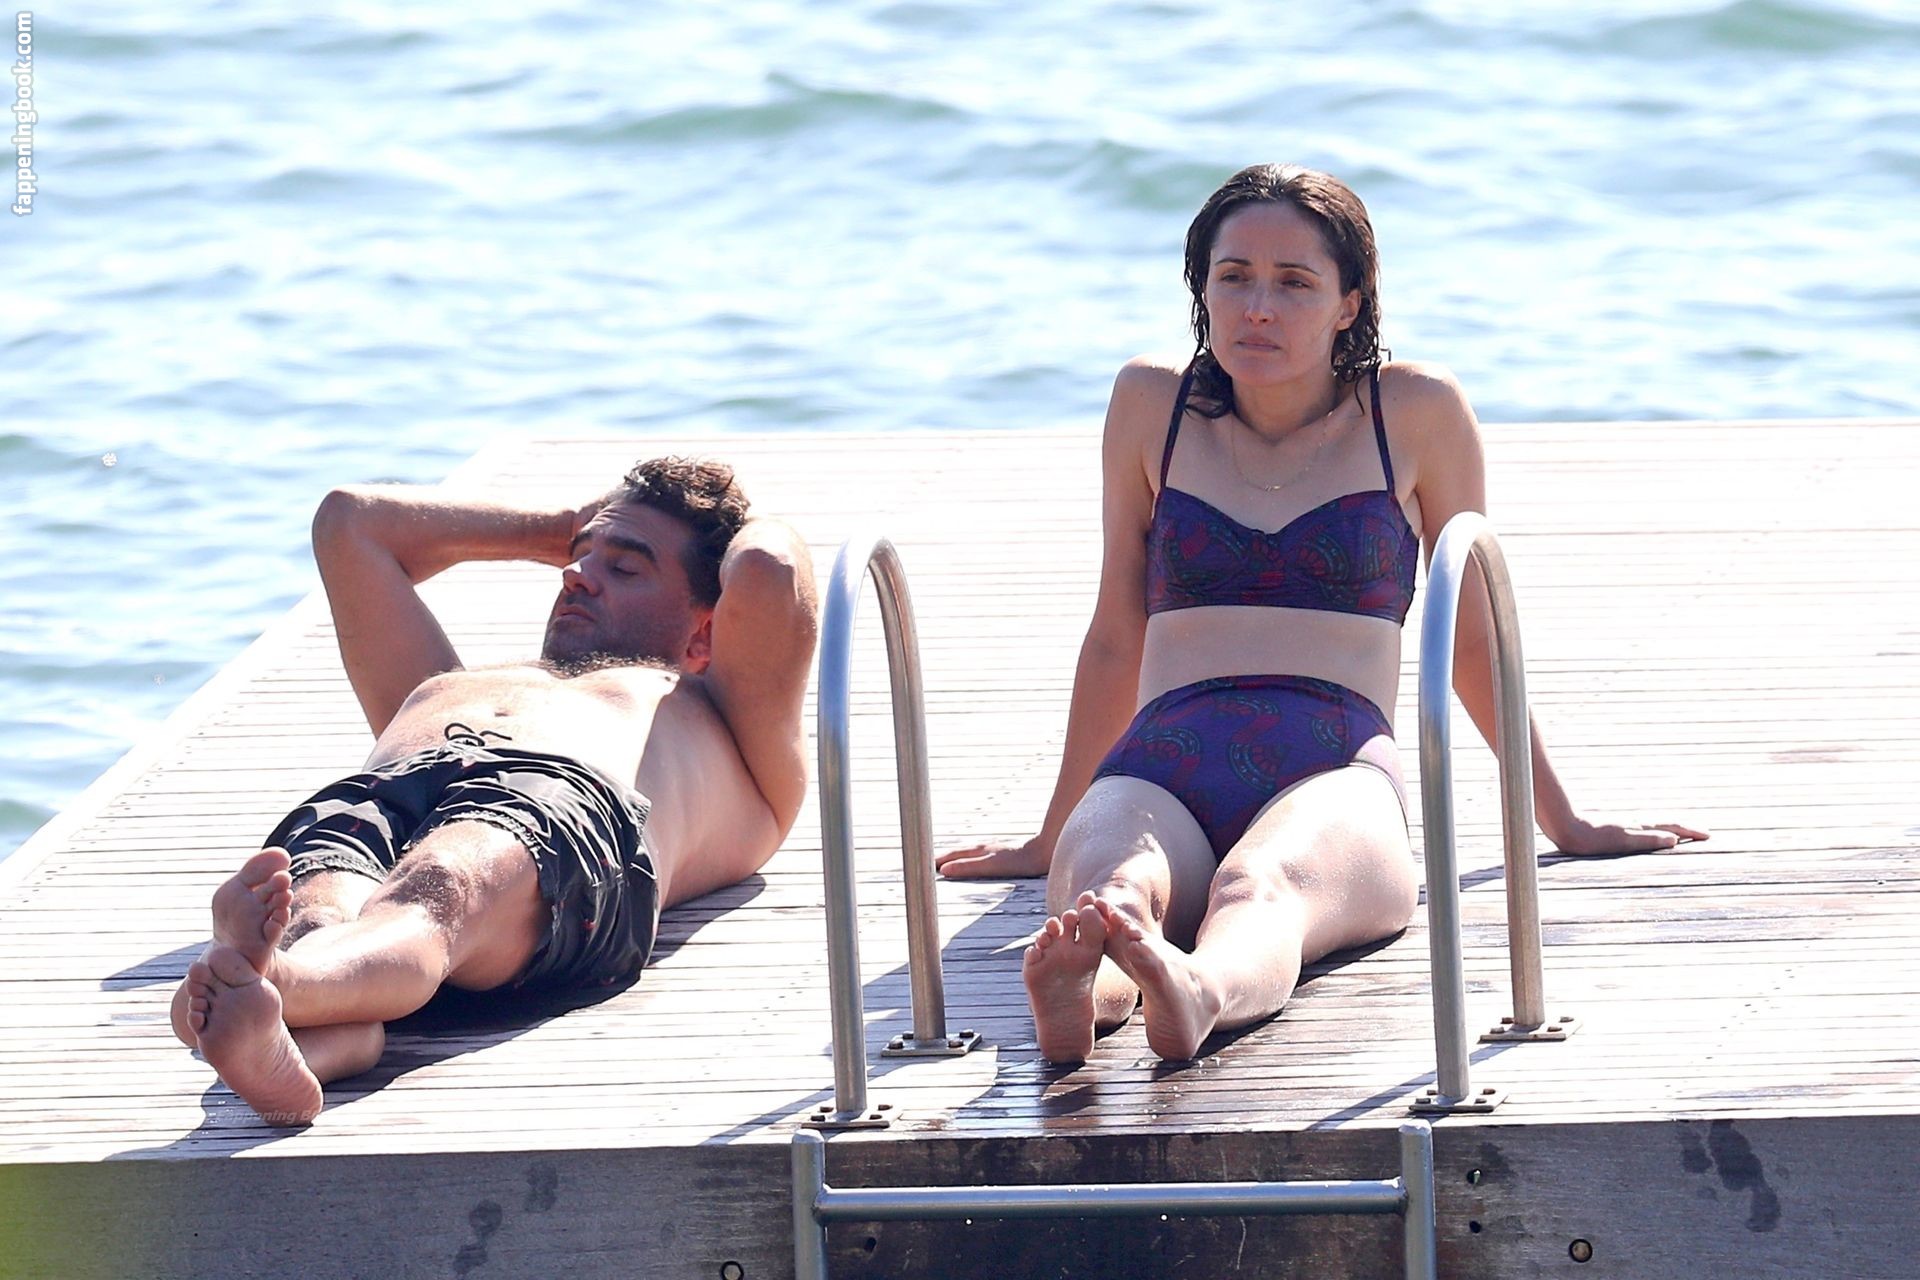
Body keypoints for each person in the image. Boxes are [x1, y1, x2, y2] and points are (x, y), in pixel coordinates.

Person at [936, 164, 1705, 1065]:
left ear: (1350, 304)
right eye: (1234, 277)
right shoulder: (1152, 404)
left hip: (1336, 761)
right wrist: (1051, 831)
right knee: (1115, 890)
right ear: (1201, 288)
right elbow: (1116, 633)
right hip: (1164, 751)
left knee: (1261, 887)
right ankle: (1087, 993)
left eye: (1294, 283)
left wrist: (1561, 821)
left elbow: (1471, 640)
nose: (1259, 307)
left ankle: (1196, 990)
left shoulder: (1413, 412)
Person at [169, 457, 818, 1124]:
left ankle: (281, 977)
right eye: (580, 555)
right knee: (320, 907)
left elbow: (768, 565)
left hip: (559, 807)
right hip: (386, 791)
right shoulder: (446, 682)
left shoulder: (726, 725)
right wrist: (562, 527)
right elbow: (348, 522)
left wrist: (717, 512)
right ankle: (309, 1043)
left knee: (442, 881)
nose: (576, 573)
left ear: (706, 631)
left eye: (625, 568)